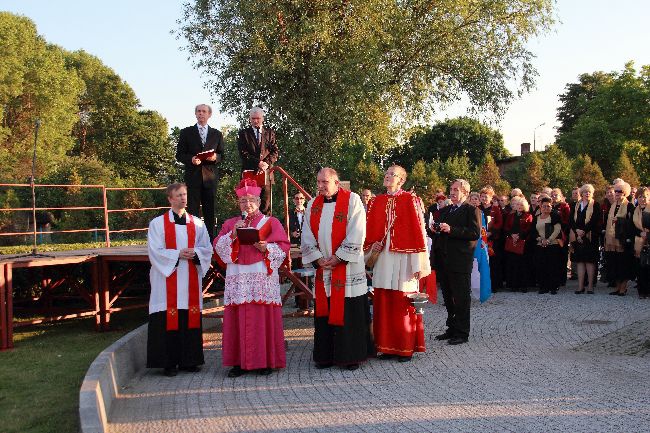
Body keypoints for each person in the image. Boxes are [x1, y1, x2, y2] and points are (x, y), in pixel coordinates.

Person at [214, 179, 290, 377]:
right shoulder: (230, 223)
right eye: (243, 201)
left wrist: (267, 247)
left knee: (262, 318)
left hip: (261, 275)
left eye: (251, 200)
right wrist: (232, 234)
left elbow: (283, 248)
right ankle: (238, 363)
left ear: (258, 201)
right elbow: (218, 248)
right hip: (238, 275)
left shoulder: (270, 222)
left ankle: (265, 361)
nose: (247, 204)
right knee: (237, 318)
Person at [301, 167, 372, 370]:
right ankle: (326, 355)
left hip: (347, 268)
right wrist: (317, 258)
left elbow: (358, 230)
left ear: (336, 183)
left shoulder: (352, 200)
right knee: (325, 309)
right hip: (324, 267)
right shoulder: (313, 204)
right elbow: (307, 233)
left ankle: (350, 356)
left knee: (349, 312)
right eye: (318, 182)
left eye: (325, 182)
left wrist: (340, 257)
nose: (320, 186)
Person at [146, 183, 213, 376]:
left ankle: (189, 361)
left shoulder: (197, 223)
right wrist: (177, 254)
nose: (183, 198)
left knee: (189, 317)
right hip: (167, 279)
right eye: (178, 195)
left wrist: (196, 253)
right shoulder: (157, 224)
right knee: (167, 317)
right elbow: (154, 251)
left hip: (189, 277)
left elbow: (207, 248)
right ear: (170, 199)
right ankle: (168, 363)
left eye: (184, 194)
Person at [365, 165, 431, 362]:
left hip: (405, 257)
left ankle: (404, 347)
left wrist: (419, 264)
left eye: (392, 175)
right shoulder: (376, 201)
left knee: (402, 301)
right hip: (383, 256)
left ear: (401, 180)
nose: (387, 176)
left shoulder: (411, 200)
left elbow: (419, 232)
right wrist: (371, 246)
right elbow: (369, 230)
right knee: (383, 299)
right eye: (386, 173)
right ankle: (385, 347)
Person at [432, 179, 481, 345]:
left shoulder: (471, 210)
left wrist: (451, 230)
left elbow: (474, 233)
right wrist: (434, 228)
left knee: (460, 297)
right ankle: (451, 327)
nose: (452, 192)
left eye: (456, 190)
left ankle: (462, 332)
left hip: (460, 259)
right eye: (451, 189)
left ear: (465, 193)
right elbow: (439, 230)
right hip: (444, 258)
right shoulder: (446, 210)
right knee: (447, 296)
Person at [175, 104, 225, 240]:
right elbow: (179, 154)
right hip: (193, 177)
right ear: (195, 114)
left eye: (204, 111)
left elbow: (222, 155)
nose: (201, 113)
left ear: (209, 115)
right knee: (192, 211)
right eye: (198, 111)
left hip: (210, 178)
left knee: (210, 211)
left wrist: (215, 157)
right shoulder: (186, 132)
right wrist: (191, 159)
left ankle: (210, 240)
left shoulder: (217, 134)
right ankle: (193, 239)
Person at [237, 107, 279, 214]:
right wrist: (258, 163)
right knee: (249, 205)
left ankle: (265, 229)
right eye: (253, 118)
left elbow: (275, 152)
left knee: (265, 205)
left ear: (262, 118)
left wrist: (266, 163)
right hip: (249, 175)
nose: (255, 121)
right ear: (250, 119)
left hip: (266, 174)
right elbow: (243, 153)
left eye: (258, 118)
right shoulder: (243, 134)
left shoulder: (270, 133)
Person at [569, 184, 602, 294]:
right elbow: (571, 220)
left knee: (590, 262)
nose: (587, 193)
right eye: (585, 192)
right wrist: (577, 231)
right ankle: (580, 286)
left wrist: (584, 231)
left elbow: (594, 220)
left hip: (590, 236)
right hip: (577, 236)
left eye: (589, 192)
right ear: (581, 193)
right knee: (580, 262)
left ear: (592, 194)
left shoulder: (596, 205)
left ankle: (590, 286)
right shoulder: (575, 205)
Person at [604, 181, 636, 295]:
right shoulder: (612, 205)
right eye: (616, 191)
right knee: (614, 264)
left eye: (620, 191)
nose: (617, 193)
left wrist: (620, 221)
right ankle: (617, 287)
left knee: (624, 265)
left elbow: (632, 222)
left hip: (623, 240)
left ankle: (623, 288)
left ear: (625, 193)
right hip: (611, 240)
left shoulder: (629, 205)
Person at [530, 197, 563, 294]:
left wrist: (548, 240)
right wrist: (541, 239)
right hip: (540, 245)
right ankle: (543, 286)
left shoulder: (555, 216)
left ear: (551, 206)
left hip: (553, 244)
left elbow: (557, 230)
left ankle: (553, 287)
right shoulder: (536, 218)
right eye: (544, 206)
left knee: (552, 266)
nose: (546, 208)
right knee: (541, 266)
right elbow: (533, 232)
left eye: (548, 206)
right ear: (540, 206)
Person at [503, 196, 533, 292]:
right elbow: (506, 227)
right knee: (512, 264)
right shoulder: (511, 215)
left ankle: (523, 285)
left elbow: (528, 229)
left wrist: (519, 236)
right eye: (518, 204)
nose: (519, 206)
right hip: (511, 242)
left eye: (521, 205)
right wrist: (512, 235)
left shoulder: (528, 216)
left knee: (523, 265)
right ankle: (513, 285)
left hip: (523, 243)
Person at [480, 186, 504, 292]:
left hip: (492, 239)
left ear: (490, 198)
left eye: (486, 197)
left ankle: (494, 285)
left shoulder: (495, 209)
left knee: (493, 263)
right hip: (480, 239)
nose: (484, 199)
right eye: (482, 196)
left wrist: (491, 232)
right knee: (482, 262)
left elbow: (499, 223)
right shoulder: (478, 209)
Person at [633, 187, 650, 298]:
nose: (643, 199)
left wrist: (647, 235)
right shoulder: (634, 211)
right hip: (638, 243)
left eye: (645, 196)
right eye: (640, 197)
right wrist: (640, 234)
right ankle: (642, 291)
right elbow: (631, 228)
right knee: (640, 268)